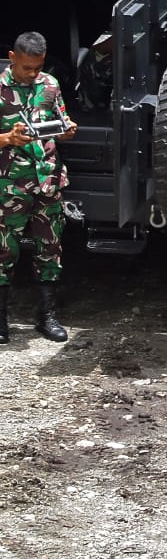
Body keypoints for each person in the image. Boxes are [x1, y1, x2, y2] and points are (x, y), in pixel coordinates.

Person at [0, 31, 77, 344]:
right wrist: (7, 139)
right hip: (9, 185)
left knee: (50, 250)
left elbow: (60, 119)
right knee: (4, 251)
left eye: (38, 67)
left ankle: (47, 316)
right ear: (12, 57)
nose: (32, 74)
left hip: (47, 182)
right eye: (26, 68)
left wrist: (67, 130)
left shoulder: (50, 85)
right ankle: (1, 320)